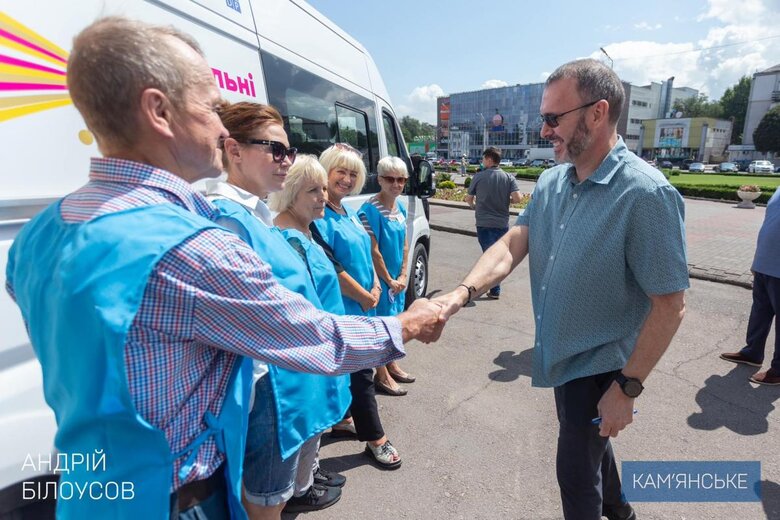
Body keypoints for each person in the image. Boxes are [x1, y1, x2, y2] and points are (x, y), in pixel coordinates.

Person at [4, 17, 442, 519]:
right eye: (212, 108)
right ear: (158, 111)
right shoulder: (194, 248)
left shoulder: (41, 231)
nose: (221, 129)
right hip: (172, 501)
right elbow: (316, 338)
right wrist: (407, 323)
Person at [435, 59, 688, 520]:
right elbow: (514, 242)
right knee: (592, 448)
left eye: (554, 117)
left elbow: (670, 305)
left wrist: (627, 388)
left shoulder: (646, 194)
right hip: (563, 357)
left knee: (575, 474)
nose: (544, 130)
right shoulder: (553, 180)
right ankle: (623, 513)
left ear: (597, 113)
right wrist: (461, 293)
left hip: (604, 367)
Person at [204, 102, 348, 518]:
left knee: (272, 497)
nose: (287, 160)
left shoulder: (254, 214)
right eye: (276, 150)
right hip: (266, 386)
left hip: (281, 381)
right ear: (234, 150)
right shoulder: (228, 218)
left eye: (291, 151)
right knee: (265, 503)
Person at [311, 143, 402, 469]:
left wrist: (375, 285)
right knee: (362, 375)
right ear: (326, 172)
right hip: (343, 309)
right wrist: (364, 295)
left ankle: (342, 419)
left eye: (353, 174)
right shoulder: (318, 216)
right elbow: (331, 268)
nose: (347, 179)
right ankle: (376, 438)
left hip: (365, 304)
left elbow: (367, 252)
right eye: (341, 172)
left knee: (352, 373)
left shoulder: (346, 210)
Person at [269, 155, 352, 510]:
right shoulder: (289, 239)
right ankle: (300, 489)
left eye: (323, 188)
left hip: (323, 345)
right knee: (307, 421)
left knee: (316, 421)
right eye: (313, 190)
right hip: (310, 350)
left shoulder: (305, 231)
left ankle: (309, 474)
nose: (323, 197)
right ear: (290, 194)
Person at [359, 156, 416, 396]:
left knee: (394, 324)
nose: (396, 184)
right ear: (380, 180)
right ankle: (381, 375)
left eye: (401, 179)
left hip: (396, 282)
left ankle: (392, 364)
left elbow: (404, 243)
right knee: (380, 327)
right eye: (390, 179)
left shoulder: (400, 207)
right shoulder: (368, 211)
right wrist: (389, 280)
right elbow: (373, 252)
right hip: (381, 282)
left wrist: (403, 274)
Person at [720, 188, 780, 385]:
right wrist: (757, 260)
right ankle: (752, 352)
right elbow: (769, 225)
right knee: (759, 312)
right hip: (765, 263)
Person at [464, 146, 522, 299]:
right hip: (502, 224)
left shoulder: (479, 177)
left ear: (489, 159)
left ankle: (493, 289)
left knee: (488, 257)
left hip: (483, 223)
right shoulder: (508, 177)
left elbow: (468, 198)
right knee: (497, 257)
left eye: (483, 159)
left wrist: (475, 206)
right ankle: (493, 288)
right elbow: (518, 198)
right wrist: (505, 201)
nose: (482, 161)